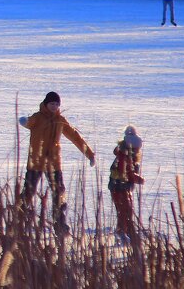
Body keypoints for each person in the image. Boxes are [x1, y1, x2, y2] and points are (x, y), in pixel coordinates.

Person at [16, 91, 95, 235]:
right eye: (52, 103)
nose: (54, 106)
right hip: (36, 161)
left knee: (59, 193)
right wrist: (24, 121)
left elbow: (75, 137)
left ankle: (60, 224)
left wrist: (89, 154)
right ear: (46, 104)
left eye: (57, 104)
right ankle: (19, 221)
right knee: (29, 191)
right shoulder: (38, 117)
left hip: (54, 163)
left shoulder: (61, 120)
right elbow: (29, 122)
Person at [108, 126, 145, 242]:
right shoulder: (125, 157)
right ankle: (122, 232)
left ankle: (126, 231)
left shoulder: (128, 155)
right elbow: (128, 173)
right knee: (124, 210)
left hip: (122, 187)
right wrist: (139, 179)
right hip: (119, 187)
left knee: (125, 210)